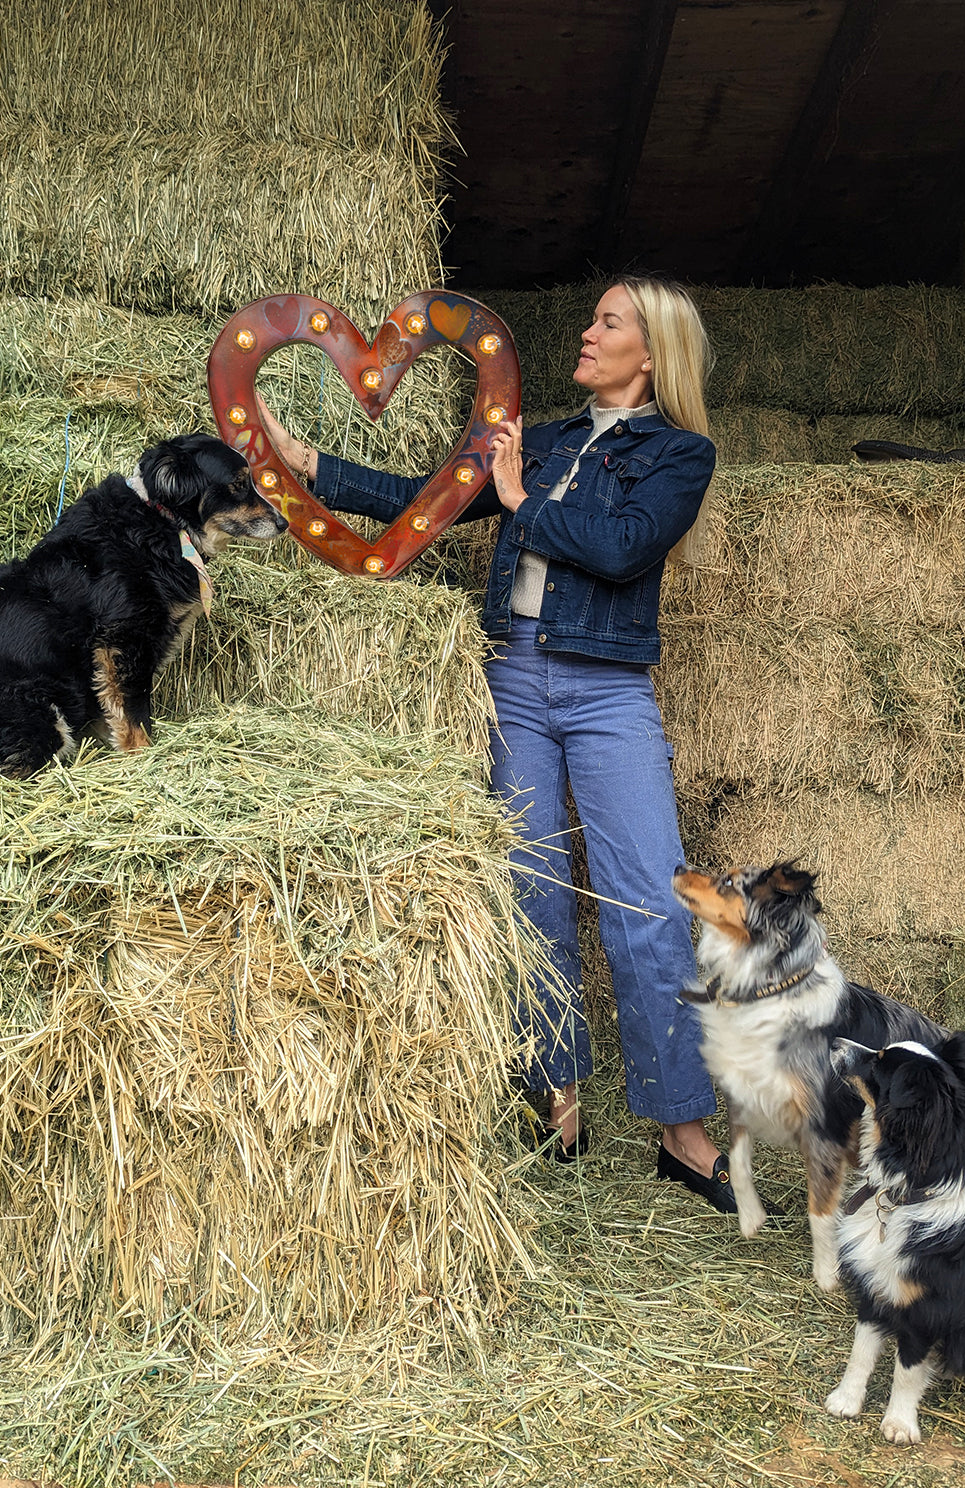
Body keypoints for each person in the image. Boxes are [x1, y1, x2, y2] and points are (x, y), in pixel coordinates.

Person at [256, 276, 736, 1211]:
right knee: (530, 892)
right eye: (592, 317)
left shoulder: (682, 453)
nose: (588, 333)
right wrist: (307, 459)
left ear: (654, 351)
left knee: (646, 896)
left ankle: (682, 1127)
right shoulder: (545, 435)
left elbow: (625, 547)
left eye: (609, 323)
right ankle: (554, 1094)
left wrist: (522, 498)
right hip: (512, 677)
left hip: (607, 689)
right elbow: (430, 500)